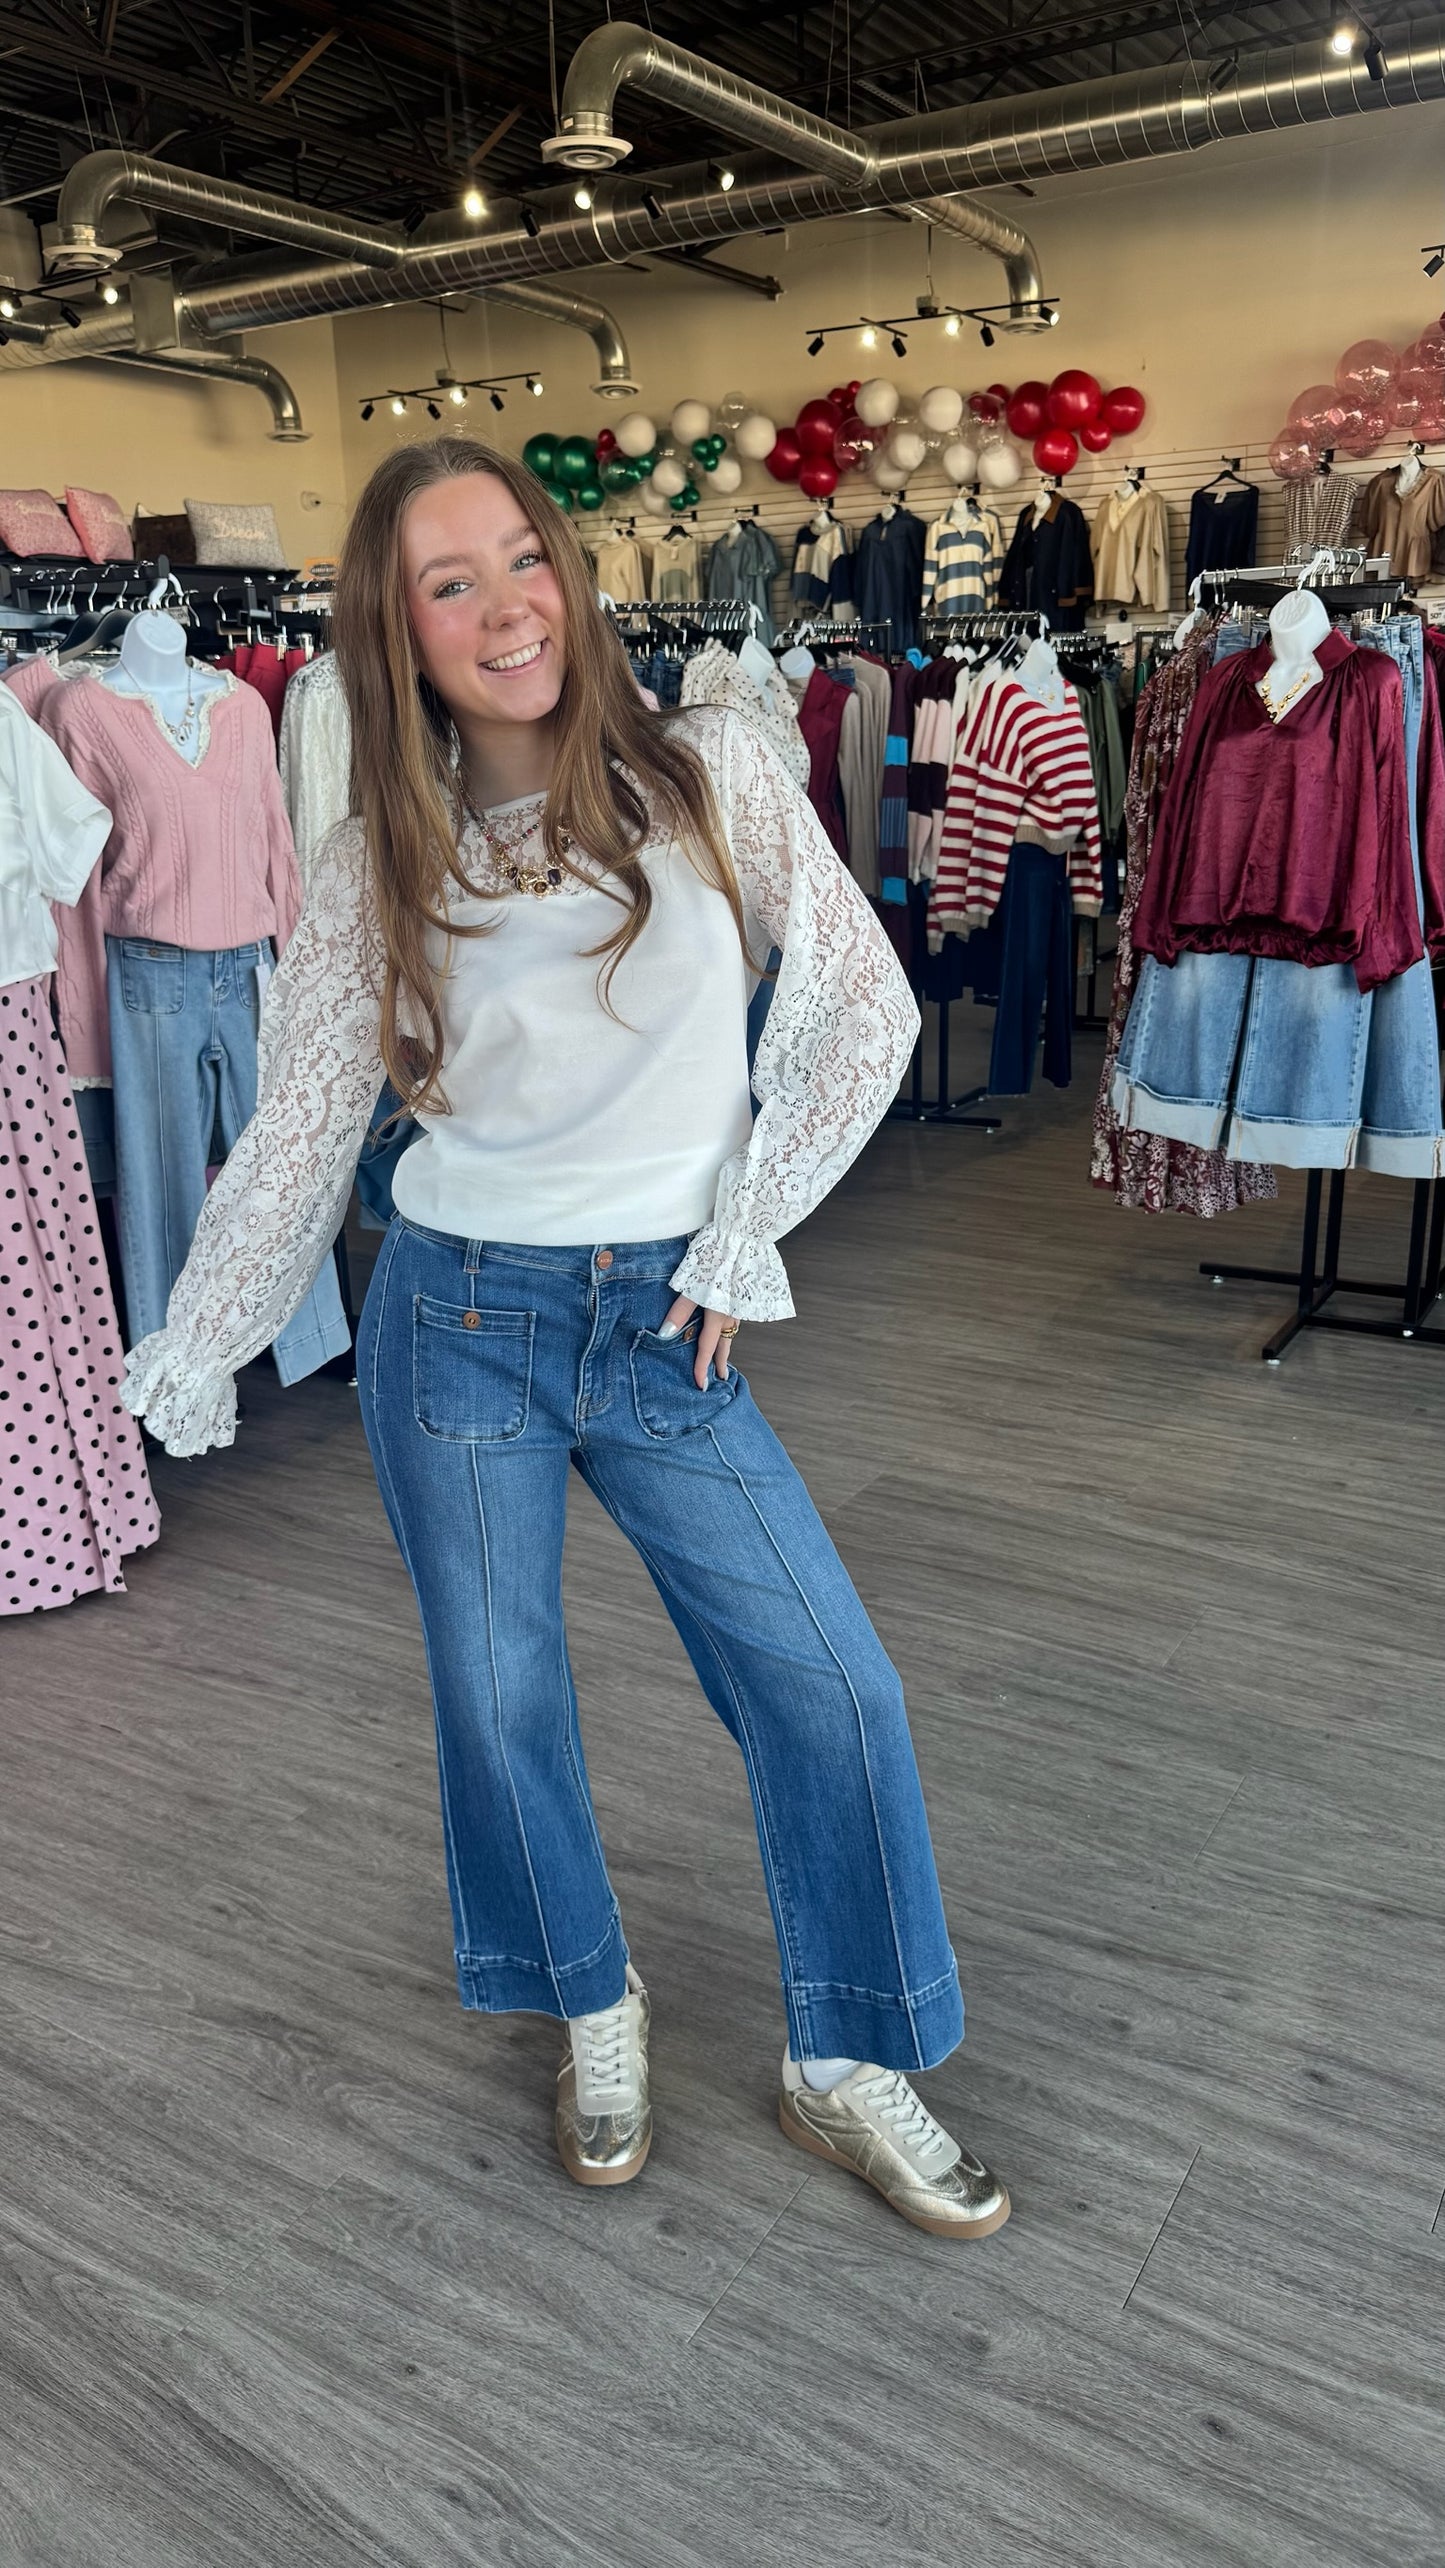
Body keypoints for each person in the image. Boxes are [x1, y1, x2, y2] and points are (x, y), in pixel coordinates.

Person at [122, 437, 1010, 2243]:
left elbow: (859, 1006)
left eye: (521, 557)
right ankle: (589, 2003)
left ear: (569, 572)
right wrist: (198, 1342)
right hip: (456, 1318)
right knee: (499, 1692)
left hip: (663, 1320)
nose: (504, 606)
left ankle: (847, 2052)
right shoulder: (378, 854)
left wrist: (744, 1230)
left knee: (829, 1682)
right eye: (447, 584)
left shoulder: (713, 769)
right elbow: (303, 1125)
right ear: (397, 631)